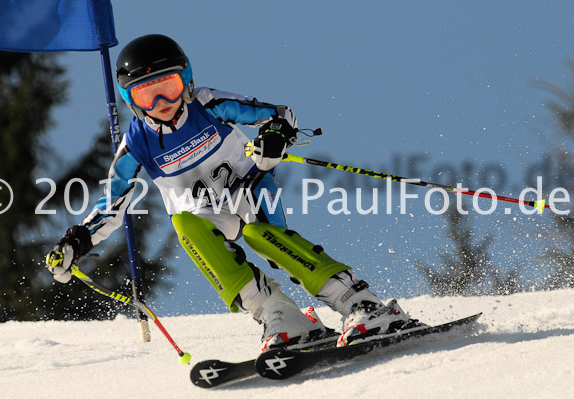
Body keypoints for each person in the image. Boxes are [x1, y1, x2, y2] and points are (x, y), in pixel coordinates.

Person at [45, 34, 424, 350]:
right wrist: (76, 242)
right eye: (148, 96)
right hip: (206, 212)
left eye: (169, 88)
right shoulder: (137, 144)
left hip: (249, 187)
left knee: (263, 239)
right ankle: (281, 315)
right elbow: (111, 204)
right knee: (186, 227)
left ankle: (361, 303)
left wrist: (275, 136)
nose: (162, 104)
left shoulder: (207, 104)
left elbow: (279, 114)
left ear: (186, 80)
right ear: (131, 101)